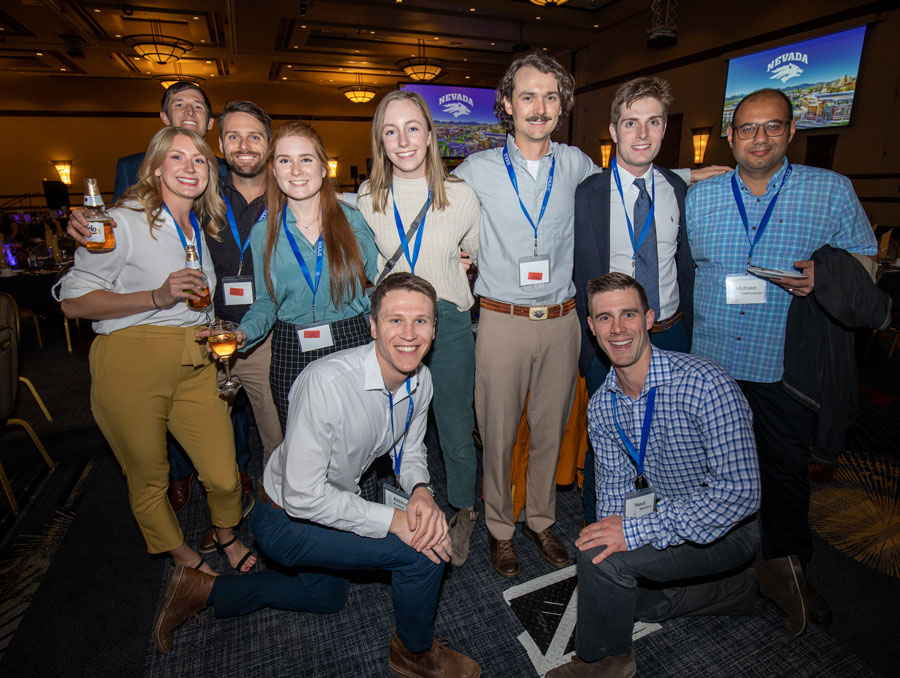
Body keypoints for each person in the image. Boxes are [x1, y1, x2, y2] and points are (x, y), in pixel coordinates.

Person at [152, 273, 481, 678]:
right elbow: (304, 496)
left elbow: (411, 448)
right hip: (284, 519)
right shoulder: (326, 383)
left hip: (334, 501)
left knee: (326, 597)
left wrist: (420, 490)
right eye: (396, 320)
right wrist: (395, 521)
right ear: (372, 326)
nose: (409, 334)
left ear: (434, 326)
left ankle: (203, 589)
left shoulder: (421, 380)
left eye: (422, 321)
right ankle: (413, 652)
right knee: (425, 549)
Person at [548, 273, 807, 678]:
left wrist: (632, 535)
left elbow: (739, 496)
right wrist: (617, 530)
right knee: (620, 587)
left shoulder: (705, 383)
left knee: (597, 563)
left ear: (650, 318)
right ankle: (746, 587)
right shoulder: (601, 406)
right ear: (591, 326)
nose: (617, 329)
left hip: (727, 530)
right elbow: (616, 492)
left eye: (628, 315)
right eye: (604, 318)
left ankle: (607, 662)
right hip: (666, 517)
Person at [686, 88, 878, 626]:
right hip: (711, 361)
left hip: (783, 365)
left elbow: (867, 263)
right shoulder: (702, 197)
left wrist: (828, 276)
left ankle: (786, 567)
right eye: (747, 129)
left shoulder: (831, 190)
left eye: (772, 127)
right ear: (731, 136)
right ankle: (712, 561)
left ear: (792, 132)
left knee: (785, 473)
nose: (759, 138)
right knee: (709, 468)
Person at [57, 126, 255, 575]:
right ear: (155, 168)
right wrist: (156, 297)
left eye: (200, 159)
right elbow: (72, 301)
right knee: (149, 477)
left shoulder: (201, 226)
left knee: (224, 474)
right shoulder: (120, 220)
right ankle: (182, 556)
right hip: (131, 359)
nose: (190, 167)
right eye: (177, 158)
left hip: (197, 359)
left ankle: (226, 534)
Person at [358, 89, 482, 566]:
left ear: (431, 135)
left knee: (453, 422)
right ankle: (389, 506)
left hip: (447, 320)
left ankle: (464, 510)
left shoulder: (462, 196)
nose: (403, 139)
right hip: (392, 322)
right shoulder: (367, 198)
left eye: (413, 128)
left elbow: (475, 254)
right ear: (380, 140)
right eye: (391, 130)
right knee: (390, 418)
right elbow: (363, 262)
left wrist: (462, 265)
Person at [573, 76, 697, 525]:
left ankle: (663, 529)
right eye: (631, 123)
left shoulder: (680, 190)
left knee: (673, 440)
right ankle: (598, 534)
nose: (642, 135)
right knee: (608, 444)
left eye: (653, 123)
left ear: (665, 129)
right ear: (614, 130)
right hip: (608, 340)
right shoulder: (586, 194)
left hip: (670, 333)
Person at [231, 120, 379, 429]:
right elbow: (266, 302)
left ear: (324, 168)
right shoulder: (264, 233)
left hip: (351, 339)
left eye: (306, 159)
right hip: (291, 349)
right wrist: (243, 334)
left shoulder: (353, 221)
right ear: (273, 170)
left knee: (356, 440)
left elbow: (381, 283)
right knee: (302, 448)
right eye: (285, 160)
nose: (296, 170)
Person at [113, 82, 226, 201]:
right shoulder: (131, 167)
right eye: (179, 105)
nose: (189, 111)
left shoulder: (227, 171)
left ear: (210, 123)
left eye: (198, 107)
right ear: (165, 118)